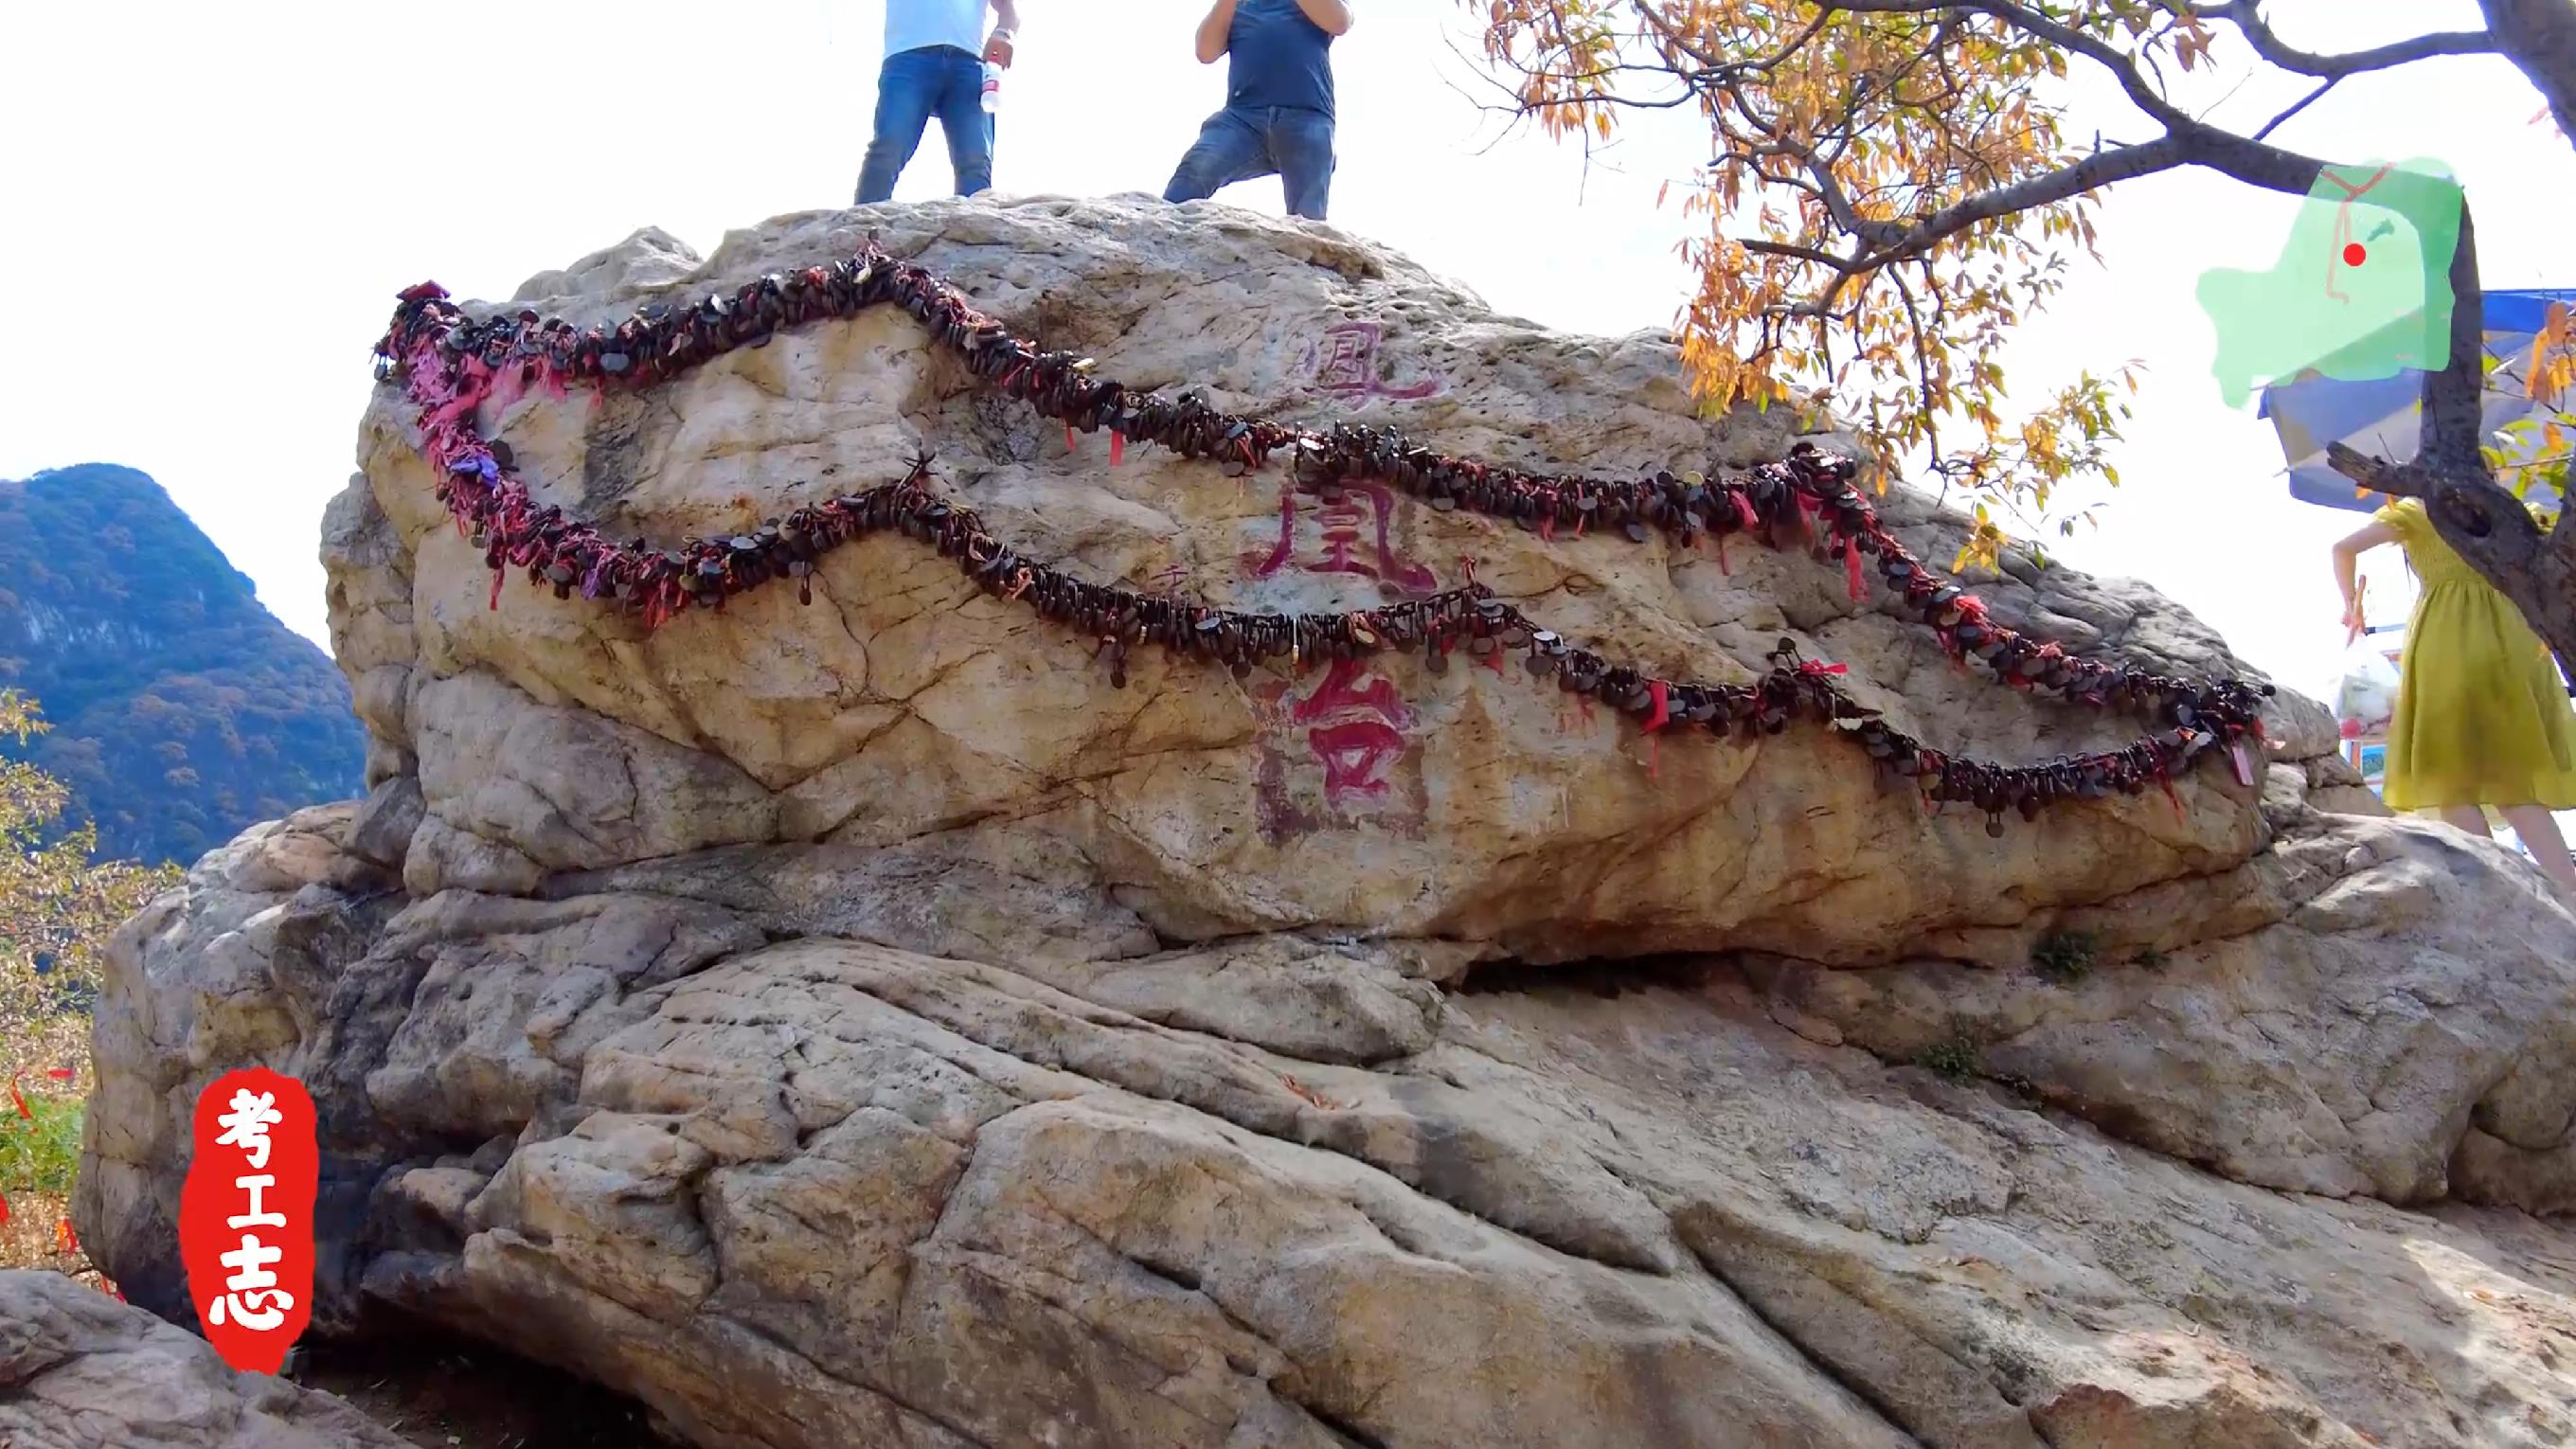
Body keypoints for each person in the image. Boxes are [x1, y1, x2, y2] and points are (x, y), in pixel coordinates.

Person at [2333, 495, 2576, 890]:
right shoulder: (2517, 515)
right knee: (2515, 778)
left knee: (2449, 777)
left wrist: (2351, 607)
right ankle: (2569, 892)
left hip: (2444, 642)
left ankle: (2499, 893)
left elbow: (2342, 547)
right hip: (2514, 642)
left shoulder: (2417, 511)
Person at [1164, 1, 1353, 222]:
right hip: (1243, 118)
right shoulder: (1239, 6)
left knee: (1308, 215)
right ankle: (1156, 241)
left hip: (1306, 116)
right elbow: (1206, 52)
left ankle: (1306, 255)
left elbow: (1339, 21)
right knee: (1193, 174)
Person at [855, 0, 1021, 206]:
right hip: (908, 57)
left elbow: (1008, 11)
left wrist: (1004, 33)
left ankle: (977, 233)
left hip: (968, 62)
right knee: (890, 145)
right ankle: (864, 228)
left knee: (975, 159)